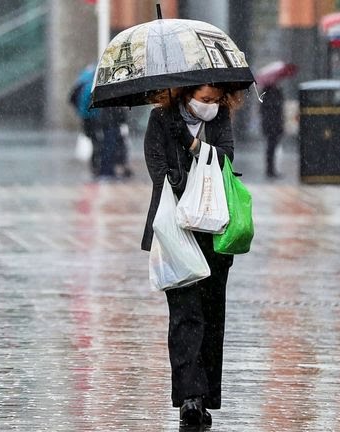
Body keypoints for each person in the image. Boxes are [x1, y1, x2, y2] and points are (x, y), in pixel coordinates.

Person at [141, 83, 241, 426]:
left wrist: (192, 143)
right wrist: (179, 179)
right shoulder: (160, 119)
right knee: (185, 316)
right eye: (204, 100)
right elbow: (157, 166)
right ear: (187, 95)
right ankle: (189, 397)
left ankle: (207, 394)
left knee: (212, 316)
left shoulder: (220, 119)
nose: (210, 106)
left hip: (214, 232)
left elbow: (225, 157)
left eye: (215, 100)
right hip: (175, 230)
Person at [69, 64, 132, 179]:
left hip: (91, 118)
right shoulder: (100, 87)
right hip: (102, 119)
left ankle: (98, 168)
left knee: (98, 143)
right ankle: (105, 170)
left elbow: (72, 99)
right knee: (106, 144)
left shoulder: (85, 83)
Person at [259, 84, 284, 178]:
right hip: (273, 126)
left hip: (271, 126)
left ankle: (270, 169)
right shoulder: (272, 95)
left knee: (271, 147)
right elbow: (276, 109)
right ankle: (270, 169)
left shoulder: (265, 95)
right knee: (271, 147)